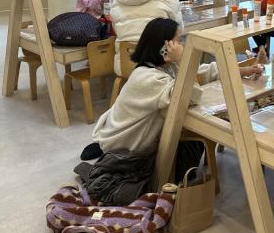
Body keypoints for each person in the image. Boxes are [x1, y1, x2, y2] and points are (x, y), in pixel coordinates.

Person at [87, 18, 263, 163]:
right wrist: (181, 60)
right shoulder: (148, 78)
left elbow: (200, 70)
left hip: (129, 138)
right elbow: (191, 96)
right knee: (193, 140)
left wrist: (242, 70)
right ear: (164, 48)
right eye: (178, 41)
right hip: (124, 148)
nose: (181, 45)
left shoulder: (164, 67)